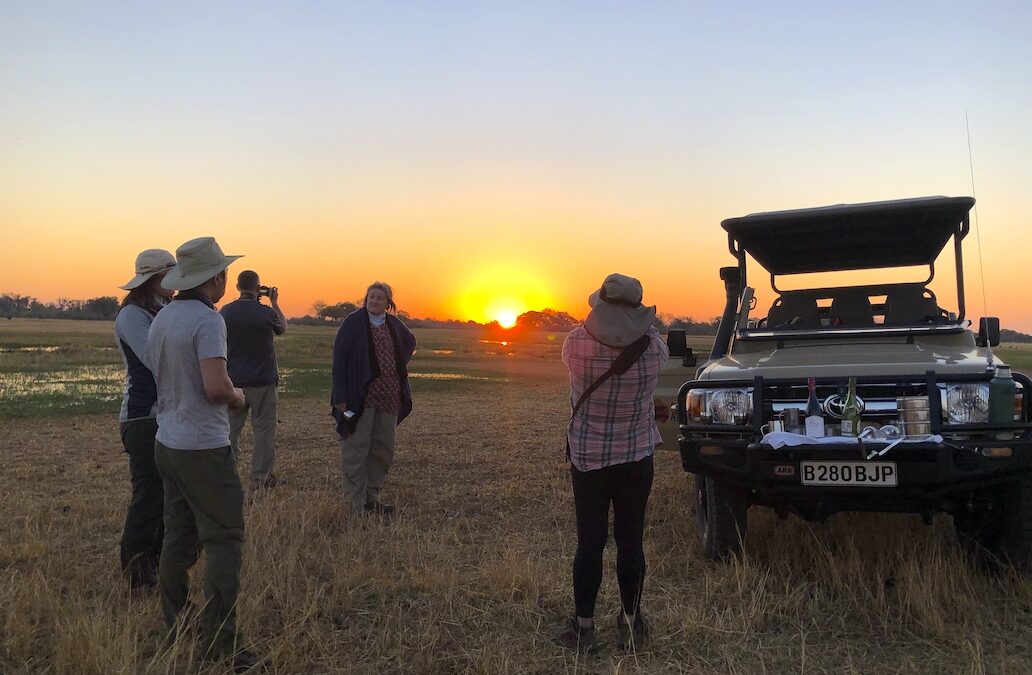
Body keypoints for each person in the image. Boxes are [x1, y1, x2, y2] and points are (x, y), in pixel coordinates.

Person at [146, 237, 261, 671]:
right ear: (217, 278)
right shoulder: (207, 321)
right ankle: (222, 644)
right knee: (224, 540)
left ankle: (175, 621)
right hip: (202, 448)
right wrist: (238, 398)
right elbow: (215, 387)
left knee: (178, 536)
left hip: (167, 442)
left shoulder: (163, 317)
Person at [555, 273, 669, 654]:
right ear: (637, 308)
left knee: (589, 542)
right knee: (630, 541)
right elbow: (654, 347)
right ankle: (632, 623)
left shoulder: (575, 343)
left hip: (588, 457)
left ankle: (584, 628)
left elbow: (578, 346)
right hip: (636, 455)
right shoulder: (654, 347)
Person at [114, 248, 176, 590]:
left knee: (167, 496)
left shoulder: (162, 308)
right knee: (149, 497)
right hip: (142, 420)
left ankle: (155, 563)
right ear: (154, 279)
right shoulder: (133, 316)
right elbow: (158, 360)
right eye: (169, 274)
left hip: (165, 417)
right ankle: (137, 574)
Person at [330, 282, 416, 518]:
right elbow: (339, 359)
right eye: (371, 297)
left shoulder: (393, 324)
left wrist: (398, 362)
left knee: (382, 449)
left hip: (389, 396)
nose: (375, 301)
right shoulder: (353, 323)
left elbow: (410, 342)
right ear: (365, 299)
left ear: (388, 303)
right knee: (356, 450)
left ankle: (371, 499)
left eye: (380, 298)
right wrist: (340, 396)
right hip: (360, 398)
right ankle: (354, 506)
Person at [220, 270, 287, 489]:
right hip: (262, 383)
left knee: (230, 431)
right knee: (264, 432)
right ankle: (261, 478)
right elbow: (282, 328)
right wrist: (274, 302)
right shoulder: (265, 312)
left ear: (238, 287)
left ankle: (227, 474)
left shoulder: (226, 312)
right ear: (258, 288)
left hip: (233, 382)